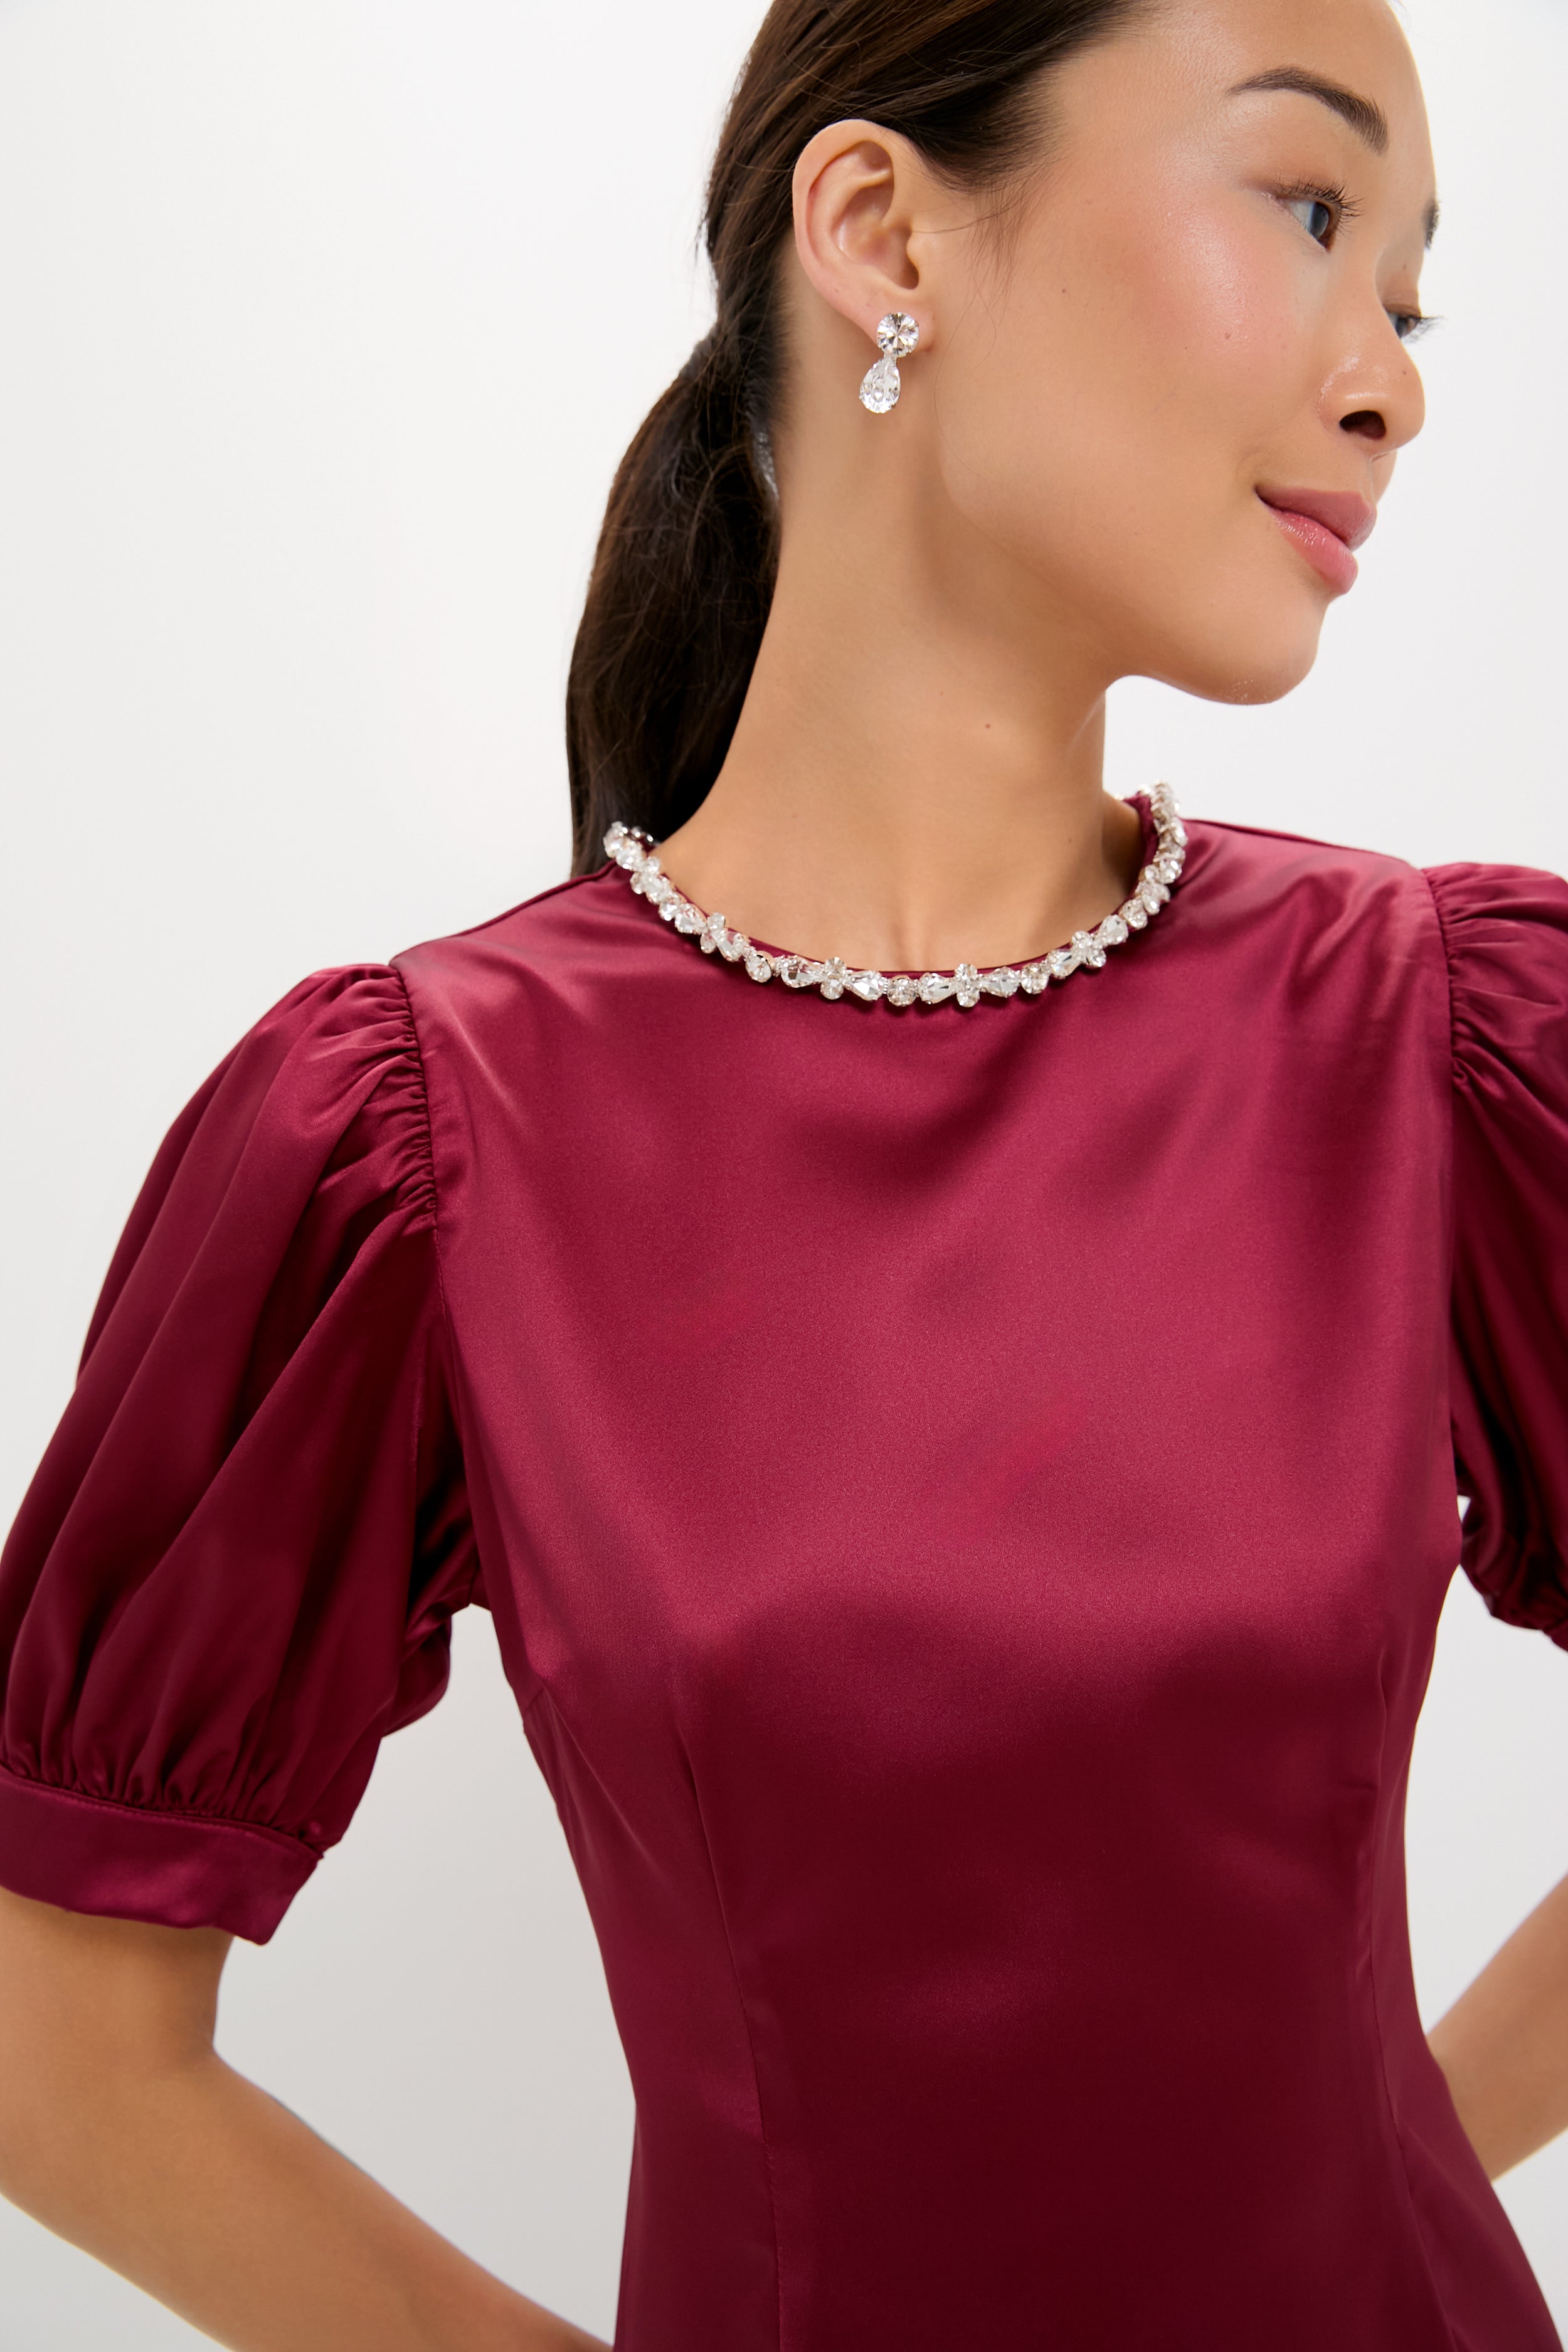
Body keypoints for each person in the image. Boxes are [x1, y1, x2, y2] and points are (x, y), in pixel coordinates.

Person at [1, 0, 1565, 2343]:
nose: (1392, 383)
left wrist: (1378, 2171)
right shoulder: (412, 1137)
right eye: (1309, 207)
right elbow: (55, 2050)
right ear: (878, 227)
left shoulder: (1441, 1039)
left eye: (1408, 286)